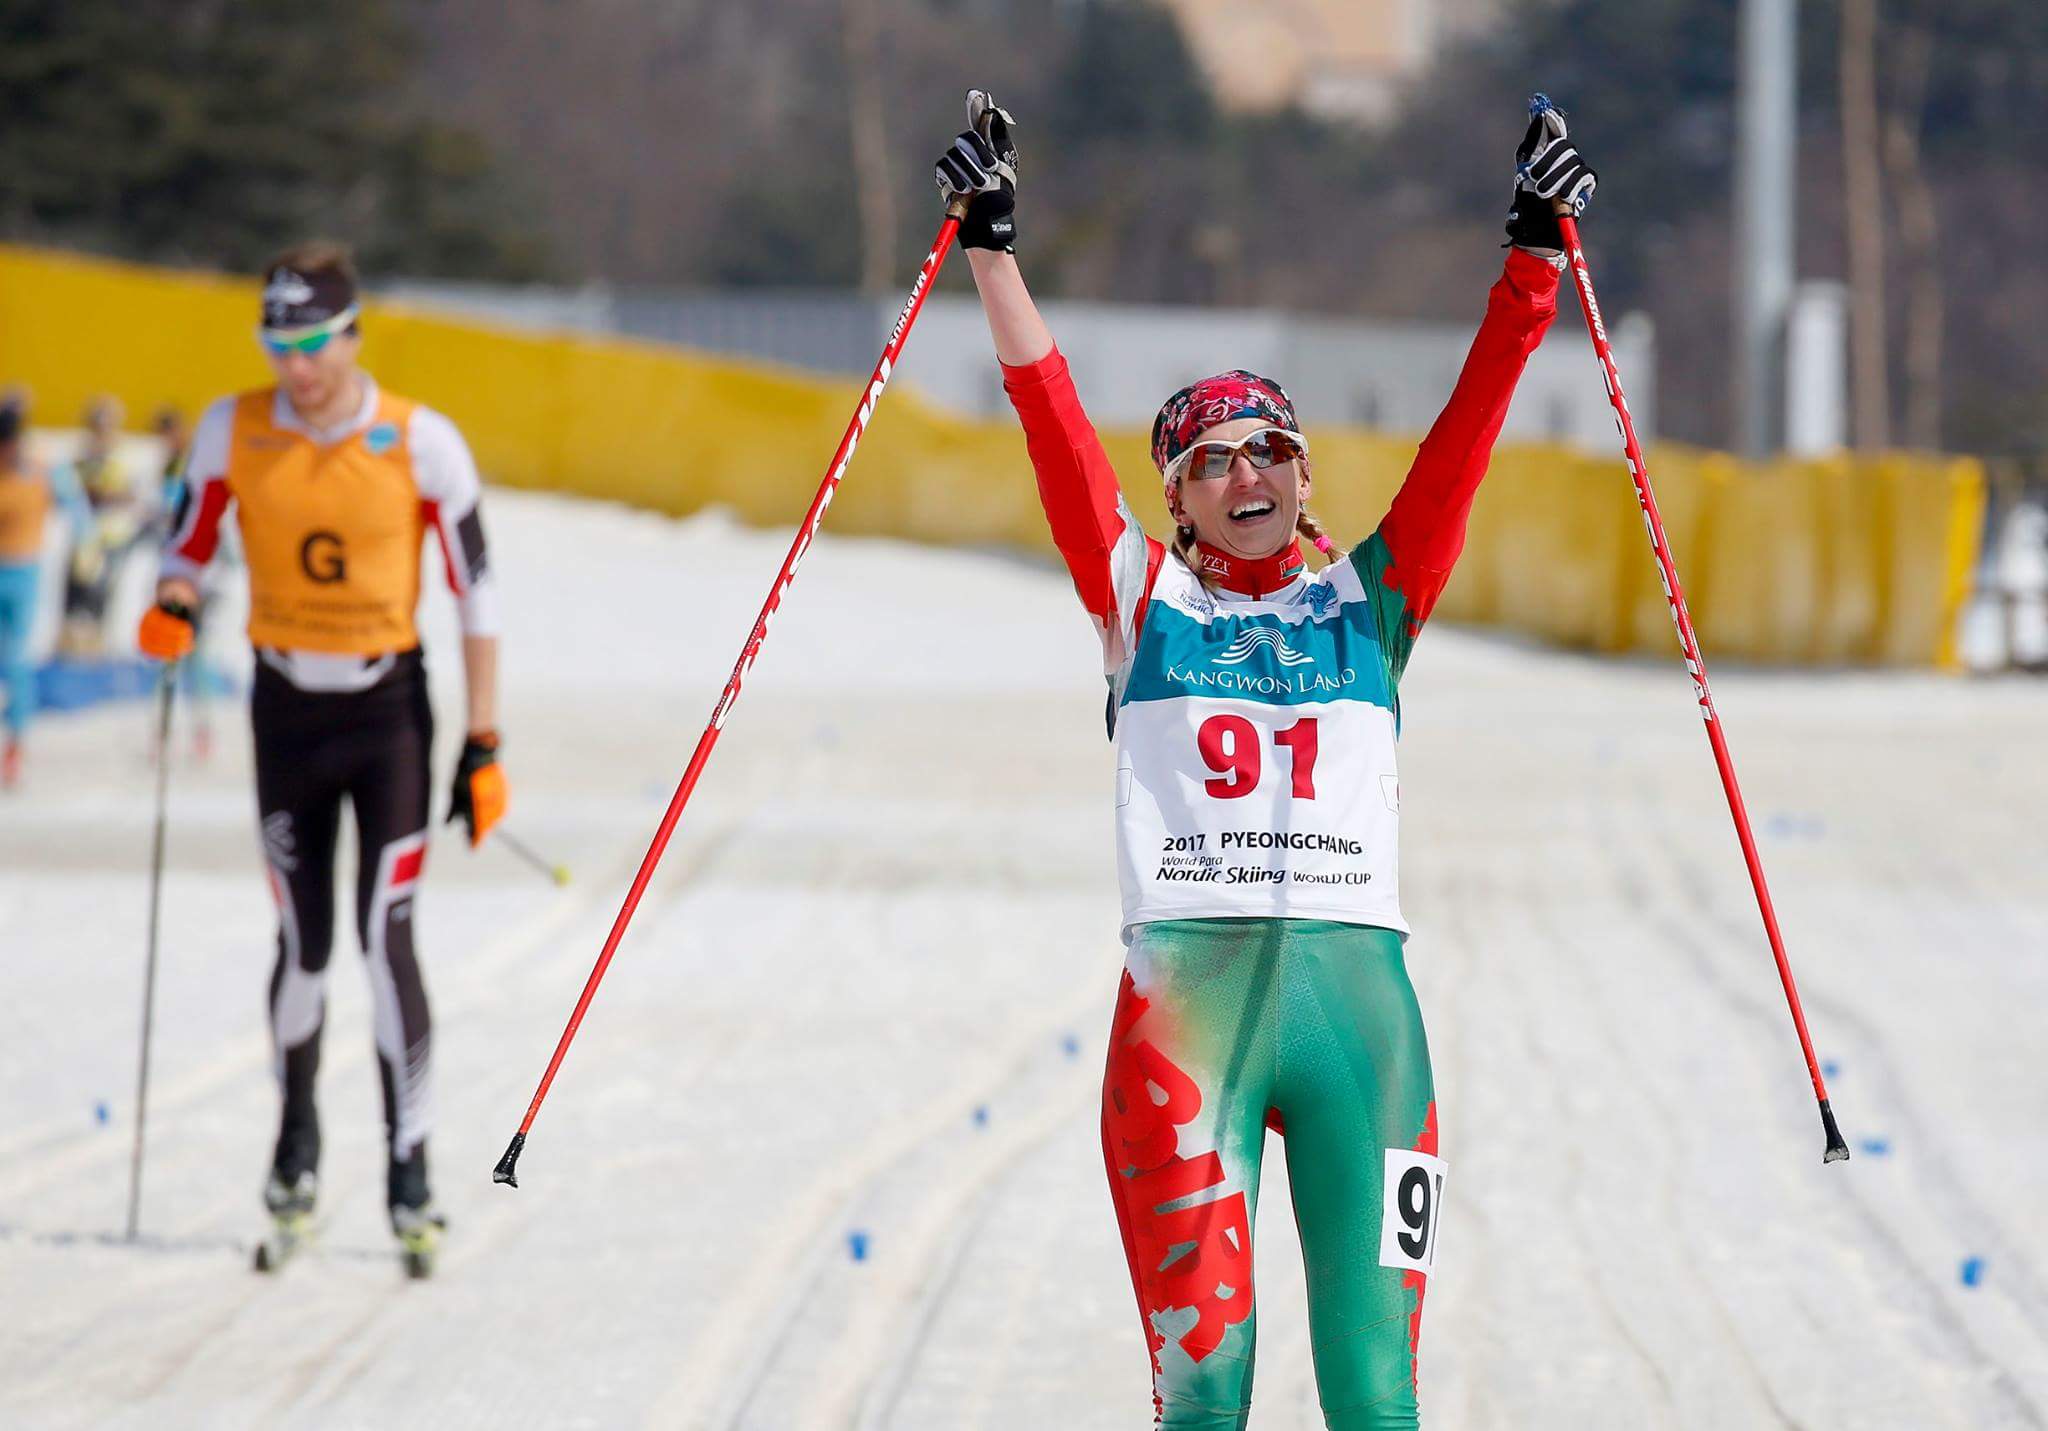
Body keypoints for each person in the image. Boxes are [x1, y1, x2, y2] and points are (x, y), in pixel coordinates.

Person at [935, 93, 1597, 1426]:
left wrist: (1537, 255)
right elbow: (1055, 427)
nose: (1249, 474)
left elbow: (1464, 438)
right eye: (1213, 459)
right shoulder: (1142, 602)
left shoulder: (1375, 598)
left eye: (1272, 450)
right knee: (1208, 1393)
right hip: (1190, 1020)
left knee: (1375, 1391)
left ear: (1304, 470)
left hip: (1363, 1020)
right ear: (1175, 495)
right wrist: (991, 251)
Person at [137, 241, 508, 1266]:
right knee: (300, 945)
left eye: (308, 344)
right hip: (285, 711)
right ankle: (296, 1144)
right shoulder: (232, 428)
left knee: (384, 939)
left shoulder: (422, 443)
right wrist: (172, 602)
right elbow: (188, 541)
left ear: (350, 336)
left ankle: (410, 1168)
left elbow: (480, 597)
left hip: (388, 713)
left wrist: (483, 741)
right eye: (275, 344)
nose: (292, 367)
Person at [0, 400, 54, 786]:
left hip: (23, 570)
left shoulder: (36, 468)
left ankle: (16, 741)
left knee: (18, 658)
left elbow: (72, 502)